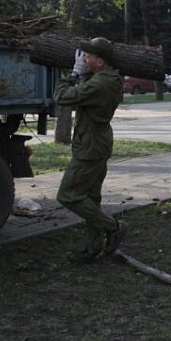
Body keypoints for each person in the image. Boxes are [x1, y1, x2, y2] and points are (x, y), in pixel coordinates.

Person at [54, 37, 129, 263]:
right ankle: (92, 248)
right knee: (90, 198)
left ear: (100, 60)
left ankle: (114, 227)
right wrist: (84, 73)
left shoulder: (99, 84)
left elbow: (62, 97)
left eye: (88, 56)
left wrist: (74, 74)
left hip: (90, 146)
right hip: (96, 142)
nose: (84, 59)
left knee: (68, 195)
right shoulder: (106, 79)